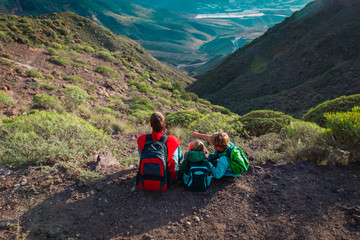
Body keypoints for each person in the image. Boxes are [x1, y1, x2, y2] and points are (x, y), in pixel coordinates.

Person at [137, 112, 183, 184]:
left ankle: (147, 165)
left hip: (145, 176)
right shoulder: (172, 140)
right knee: (176, 147)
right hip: (167, 178)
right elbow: (180, 156)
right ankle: (176, 169)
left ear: (150, 124)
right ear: (165, 123)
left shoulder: (142, 138)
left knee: (141, 147)